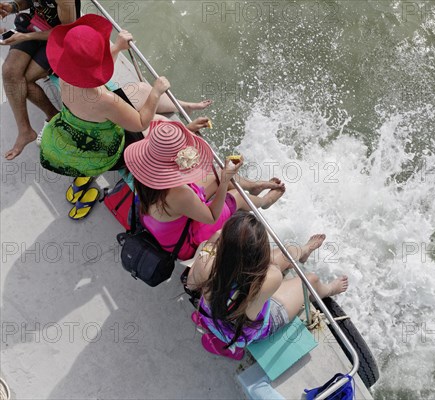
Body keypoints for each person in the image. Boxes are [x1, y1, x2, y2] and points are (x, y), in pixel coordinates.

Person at [39, 14, 212, 179]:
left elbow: (95, 76)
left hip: (82, 125)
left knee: (142, 90)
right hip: (106, 150)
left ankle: (184, 105)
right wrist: (156, 92)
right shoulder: (105, 100)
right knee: (160, 122)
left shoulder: (66, 76)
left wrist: (117, 48)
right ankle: (186, 130)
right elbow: (140, 123)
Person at [183, 211, 349, 360]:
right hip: (243, 330)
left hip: (211, 313)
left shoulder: (206, 260)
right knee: (310, 280)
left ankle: (305, 250)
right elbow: (271, 269)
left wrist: (215, 242)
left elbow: (192, 282)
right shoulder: (270, 279)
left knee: (286, 255)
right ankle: (329, 289)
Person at [125, 120, 286, 261]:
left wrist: (185, 130)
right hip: (185, 242)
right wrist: (224, 181)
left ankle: (253, 186)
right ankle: (265, 202)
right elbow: (211, 217)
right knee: (236, 196)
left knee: (214, 172)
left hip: (164, 225)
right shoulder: (179, 194)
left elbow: (163, 154)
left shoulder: (144, 170)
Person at [0, 0, 80, 160]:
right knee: (9, 72)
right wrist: (13, 7)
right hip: (36, 24)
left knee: (24, 81)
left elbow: (66, 31)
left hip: (59, 37)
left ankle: (53, 117)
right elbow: (31, 2)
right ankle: (25, 130)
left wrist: (26, 36)